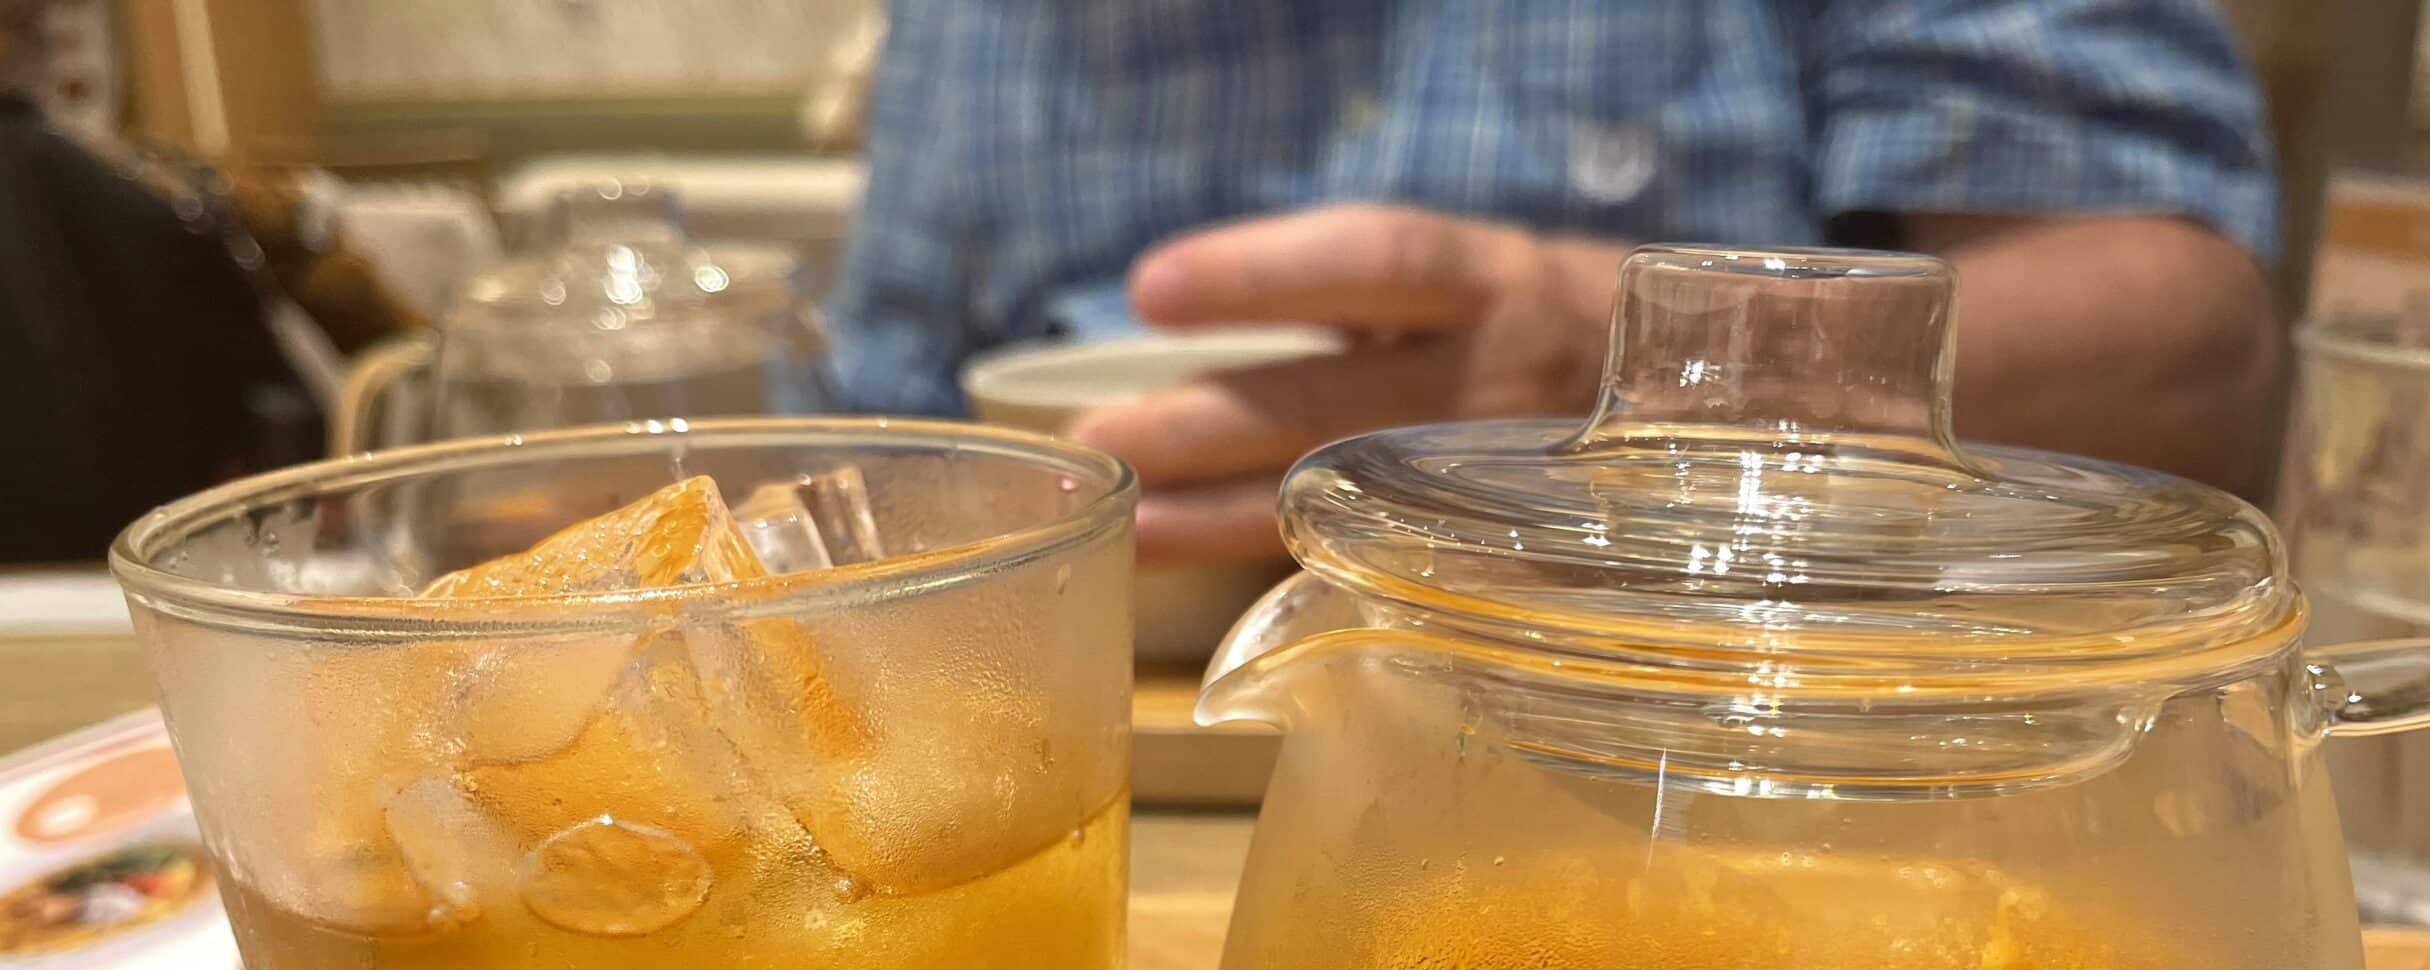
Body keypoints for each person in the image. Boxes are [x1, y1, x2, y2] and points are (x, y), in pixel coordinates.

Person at [824, 0, 2285, 563]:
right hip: (1098, 777)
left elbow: (2193, 347)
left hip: (1713, 748)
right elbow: (873, 436)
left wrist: (1637, 363)